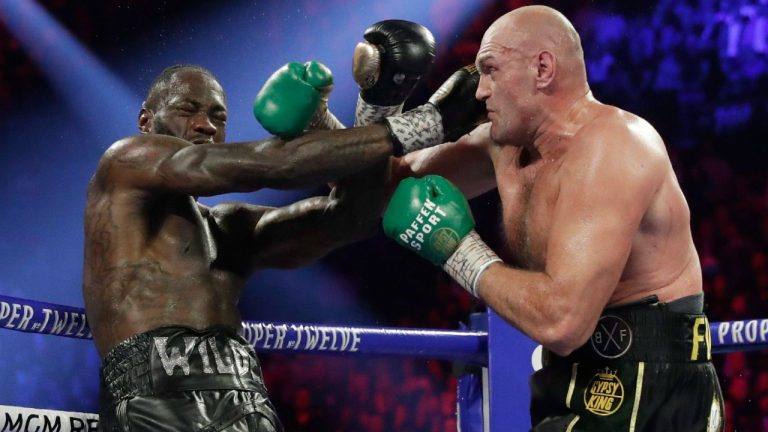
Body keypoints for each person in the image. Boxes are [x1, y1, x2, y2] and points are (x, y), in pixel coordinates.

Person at [82, 18, 484, 431]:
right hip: (156, 399)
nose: (205, 124)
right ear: (146, 121)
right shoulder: (124, 162)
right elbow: (270, 165)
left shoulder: (229, 227)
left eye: (218, 116)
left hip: (246, 399)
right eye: (188, 109)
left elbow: (347, 218)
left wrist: (379, 108)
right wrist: (426, 125)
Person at [382, 5, 724, 431]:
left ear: (542, 67)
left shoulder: (612, 144)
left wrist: (457, 250)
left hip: (648, 377)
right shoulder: (502, 145)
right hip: (567, 373)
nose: (478, 92)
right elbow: (388, 190)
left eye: (490, 70)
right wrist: (385, 109)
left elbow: (562, 321)